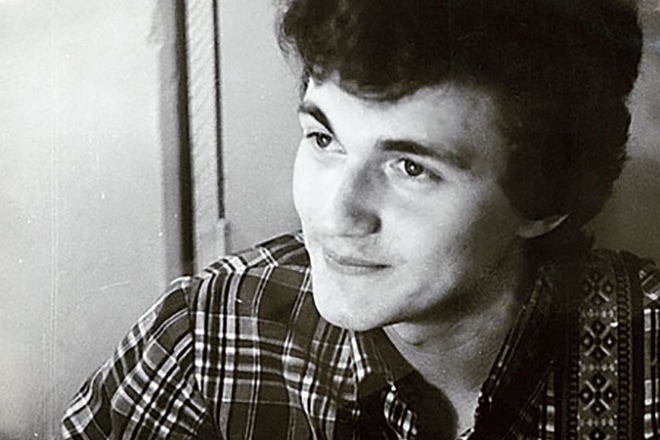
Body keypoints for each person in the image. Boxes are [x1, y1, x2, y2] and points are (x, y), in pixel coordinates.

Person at [61, 0, 659, 438]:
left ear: (547, 201)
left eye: (411, 168)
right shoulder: (207, 336)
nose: (335, 215)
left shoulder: (650, 359)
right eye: (324, 139)